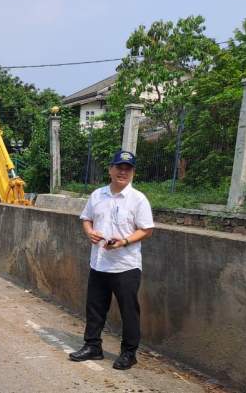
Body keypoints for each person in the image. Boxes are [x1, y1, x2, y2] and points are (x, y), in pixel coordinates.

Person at [69, 150, 154, 370]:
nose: (123, 172)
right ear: (110, 170)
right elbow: (86, 219)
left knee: (128, 311)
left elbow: (146, 230)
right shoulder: (97, 195)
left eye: (128, 169)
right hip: (99, 262)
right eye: (119, 167)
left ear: (133, 172)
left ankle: (129, 353)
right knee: (95, 308)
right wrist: (89, 232)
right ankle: (92, 346)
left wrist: (124, 241)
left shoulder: (138, 199)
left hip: (126, 265)